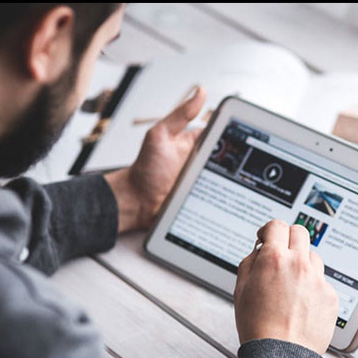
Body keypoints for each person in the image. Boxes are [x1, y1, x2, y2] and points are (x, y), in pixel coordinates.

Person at [0, 3, 339, 358]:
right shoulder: (49, 339)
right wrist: (284, 346)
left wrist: (129, 196)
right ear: (49, 40)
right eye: (99, 50)